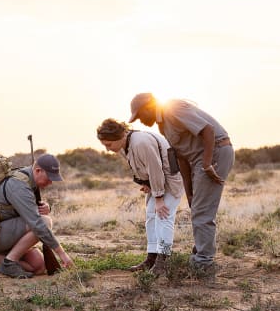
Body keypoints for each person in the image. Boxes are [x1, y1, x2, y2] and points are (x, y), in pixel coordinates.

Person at [128, 93, 235, 272]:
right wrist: (189, 192)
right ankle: (200, 254)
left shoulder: (173, 108)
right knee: (197, 207)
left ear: (148, 107)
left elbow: (207, 130)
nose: (140, 120)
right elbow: (181, 158)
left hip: (215, 151)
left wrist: (207, 163)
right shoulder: (163, 126)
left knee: (202, 211)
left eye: (140, 115)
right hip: (197, 161)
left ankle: (203, 263)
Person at [97, 118, 184, 275]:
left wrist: (158, 198)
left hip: (169, 182)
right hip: (156, 184)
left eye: (109, 144)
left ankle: (163, 262)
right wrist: (146, 183)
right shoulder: (126, 145)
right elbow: (142, 168)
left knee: (163, 217)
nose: (108, 149)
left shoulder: (140, 142)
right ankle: (152, 258)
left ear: (120, 136)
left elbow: (156, 168)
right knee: (151, 216)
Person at [0, 153, 73, 278]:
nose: (50, 182)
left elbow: (26, 209)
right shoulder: (19, 185)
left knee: (38, 267)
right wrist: (62, 254)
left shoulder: (29, 179)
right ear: (38, 170)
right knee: (45, 222)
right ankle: (9, 263)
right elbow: (37, 223)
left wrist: (46, 207)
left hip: (6, 232)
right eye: (49, 178)